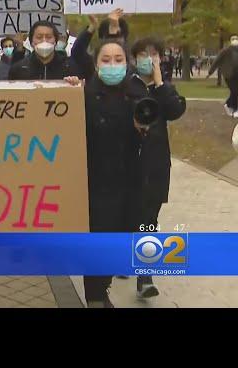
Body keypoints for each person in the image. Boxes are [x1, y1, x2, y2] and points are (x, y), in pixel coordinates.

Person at [83, 39, 145, 308]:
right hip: (95, 183)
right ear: (96, 64)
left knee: (121, 240)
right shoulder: (82, 93)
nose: (112, 65)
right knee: (99, 242)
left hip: (130, 183)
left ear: (127, 63)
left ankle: (102, 289)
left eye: (118, 60)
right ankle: (95, 297)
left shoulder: (137, 93)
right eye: (105, 60)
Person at [129, 37, 186, 297]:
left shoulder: (165, 89)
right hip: (128, 165)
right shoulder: (127, 87)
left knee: (149, 220)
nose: (148, 59)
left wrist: (161, 83)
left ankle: (145, 278)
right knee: (130, 219)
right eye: (142, 54)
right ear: (133, 59)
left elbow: (175, 110)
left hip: (156, 166)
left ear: (161, 58)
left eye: (153, 54)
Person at [8, 20, 83, 82]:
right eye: (39, 37)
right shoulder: (18, 69)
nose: (44, 41)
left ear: (55, 42)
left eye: (49, 37)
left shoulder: (69, 67)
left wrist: (75, 83)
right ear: (31, 42)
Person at [208, 33, 238, 117]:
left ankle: (228, 104)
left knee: (235, 91)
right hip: (229, 75)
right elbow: (216, 61)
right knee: (235, 91)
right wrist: (210, 72)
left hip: (236, 74)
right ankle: (234, 109)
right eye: (234, 39)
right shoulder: (225, 51)